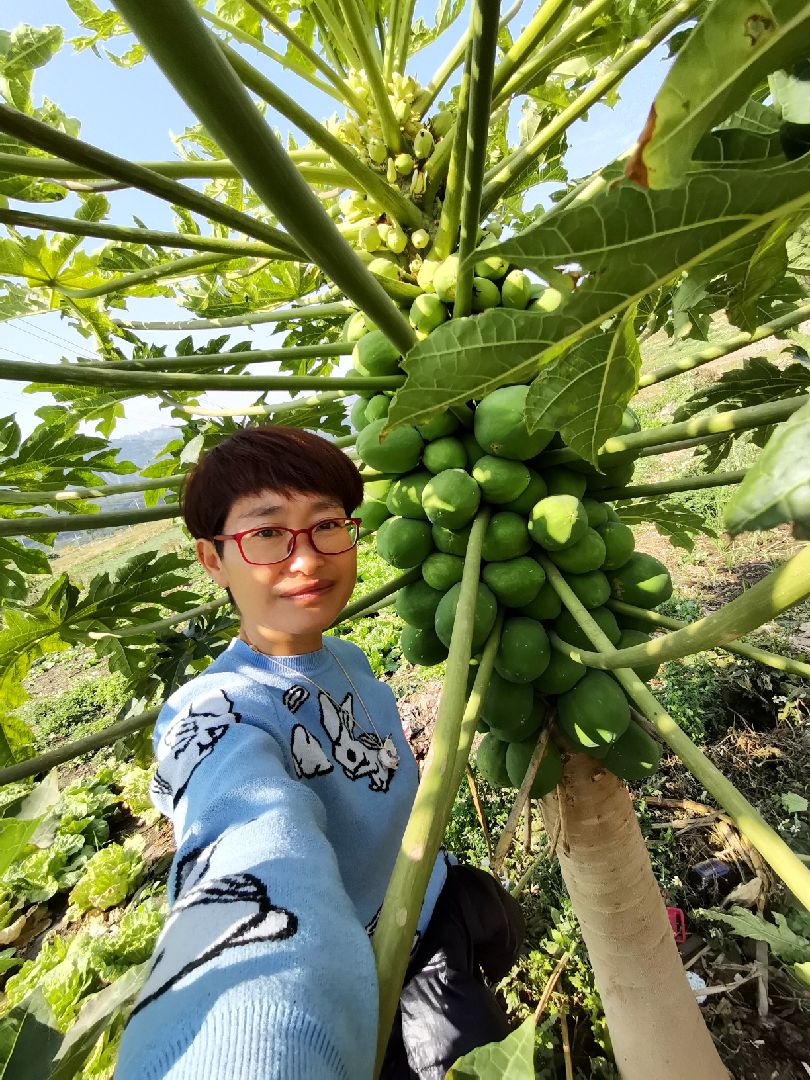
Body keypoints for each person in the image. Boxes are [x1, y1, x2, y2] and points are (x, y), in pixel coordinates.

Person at [115, 425, 524, 1080]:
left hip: (432, 894)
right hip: (374, 965)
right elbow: (246, 845)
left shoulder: (348, 659)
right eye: (268, 533)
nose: (307, 559)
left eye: (327, 524)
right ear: (213, 559)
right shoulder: (214, 711)